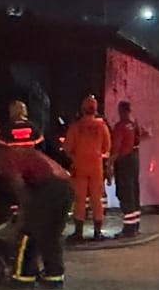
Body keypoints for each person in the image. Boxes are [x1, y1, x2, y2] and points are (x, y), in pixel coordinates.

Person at [0, 116, 74, 287]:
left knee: (28, 234)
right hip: (65, 189)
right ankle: (54, 276)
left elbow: (21, 189)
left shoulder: (10, 158)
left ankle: (24, 276)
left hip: (47, 190)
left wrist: (22, 219)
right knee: (51, 235)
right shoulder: (36, 155)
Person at [63, 96, 113, 240]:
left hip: (79, 166)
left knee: (79, 199)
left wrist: (75, 158)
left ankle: (78, 233)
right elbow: (107, 148)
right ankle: (98, 232)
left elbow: (67, 148)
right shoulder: (102, 126)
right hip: (96, 167)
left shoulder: (75, 127)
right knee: (96, 199)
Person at [109, 100, 150, 238]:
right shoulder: (134, 124)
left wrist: (109, 164)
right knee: (134, 191)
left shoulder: (120, 127)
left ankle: (128, 229)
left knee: (125, 193)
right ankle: (135, 225)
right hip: (134, 159)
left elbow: (116, 147)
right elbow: (146, 135)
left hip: (124, 161)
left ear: (121, 110)